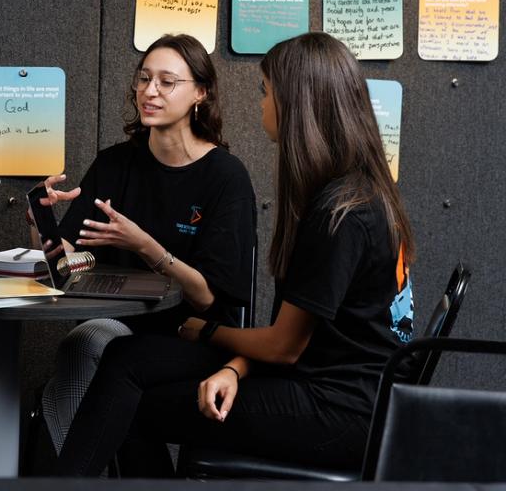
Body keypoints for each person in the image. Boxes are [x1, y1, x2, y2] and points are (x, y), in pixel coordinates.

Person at [54, 32, 416, 476]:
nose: (262, 104)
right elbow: (302, 340)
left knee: (128, 402)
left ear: (297, 104)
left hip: (344, 412)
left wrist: (200, 331)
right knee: (125, 369)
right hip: (341, 391)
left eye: (267, 93)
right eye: (144, 78)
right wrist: (237, 370)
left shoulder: (339, 213)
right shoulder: (355, 194)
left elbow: (284, 347)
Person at [31, 34, 257, 455]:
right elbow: (66, 265)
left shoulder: (226, 178)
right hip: (121, 323)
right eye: (144, 78)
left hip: (195, 336)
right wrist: (41, 222)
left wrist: (143, 245)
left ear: (200, 94)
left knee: (103, 367)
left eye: (167, 82)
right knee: (82, 348)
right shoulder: (115, 163)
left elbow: (208, 297)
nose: (149, 91)